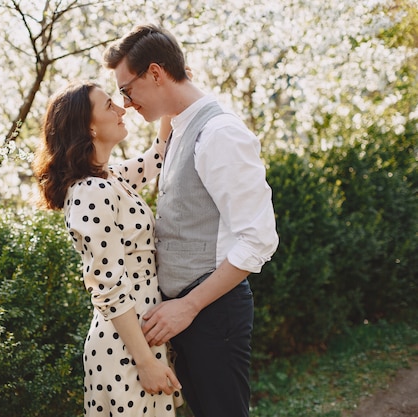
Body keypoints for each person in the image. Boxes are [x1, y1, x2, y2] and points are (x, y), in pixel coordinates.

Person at [103, 24, 280, 417]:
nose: (127, 103)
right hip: (185, 315)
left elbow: (259, 240)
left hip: (212, 313)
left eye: (126, 90)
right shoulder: (179, 126)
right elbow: (149, 158)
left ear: (154, 73)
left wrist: (189, 306)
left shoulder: (220, 134)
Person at [32, 81, 183, 416]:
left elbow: (158, 155)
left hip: (142, 338)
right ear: (88, 126)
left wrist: (170, 91)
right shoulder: (91, 192)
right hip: (126, 349)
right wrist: (144, 361)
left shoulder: (109, 178)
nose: (121, 108)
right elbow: (108, 288)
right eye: (108, 106)